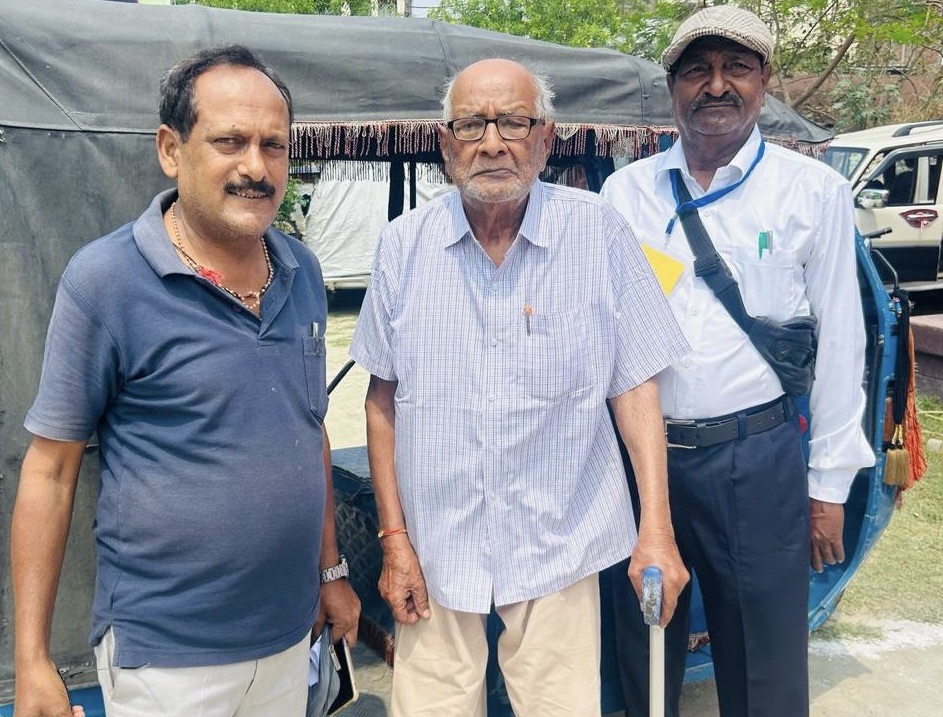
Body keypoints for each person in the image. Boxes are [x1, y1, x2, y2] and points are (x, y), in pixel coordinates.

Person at [10, 45, 360, 717]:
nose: (256, 167)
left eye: (273, 145)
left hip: (291, 638)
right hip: (166, 661)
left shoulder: (302, 272)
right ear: (171, 149)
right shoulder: (106, 280)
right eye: (230, 141)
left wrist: (330, 572)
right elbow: (50, 471)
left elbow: (307, 428)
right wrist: (32, 659)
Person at [349, 58, 690, 717]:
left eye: (512, 122)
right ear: (445, 143)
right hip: (437, 545)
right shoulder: (403, 246)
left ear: (545, 137)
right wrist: (394, 540)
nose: (492, 143)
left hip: (558, 539)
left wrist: (656, 528)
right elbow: (381, 403)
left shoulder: (597, 232)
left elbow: (634, 387)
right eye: (470, 125)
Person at [600, 6, 875, 717]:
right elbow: (607, 337)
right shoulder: (625, 194)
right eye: (697, 70)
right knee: (645, 652)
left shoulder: (811, 191)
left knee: (764, 669)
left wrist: (829, 485)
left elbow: (843, 341)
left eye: (736, 68)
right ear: (672, 87)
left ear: (764, 81)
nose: (716, 85)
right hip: (643, 464)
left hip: (755, 461)